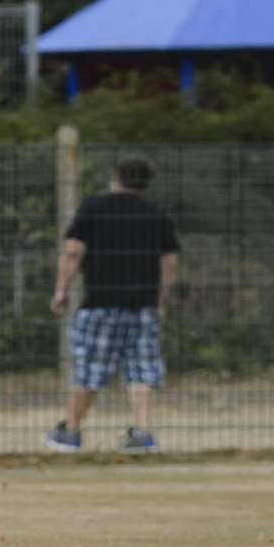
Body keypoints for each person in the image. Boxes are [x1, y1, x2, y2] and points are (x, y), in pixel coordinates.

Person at [46, 155, 180, 454]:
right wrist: (160, 302)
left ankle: (71, 432)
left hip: (100, 303)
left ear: (116, 177)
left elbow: (72, 252)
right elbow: (169, 265)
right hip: (142, 306)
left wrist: (61, 290)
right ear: (146, 182)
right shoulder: (156, 216)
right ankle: (143, 434)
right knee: (141, 370)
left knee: (90, 369)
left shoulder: (93, 209)